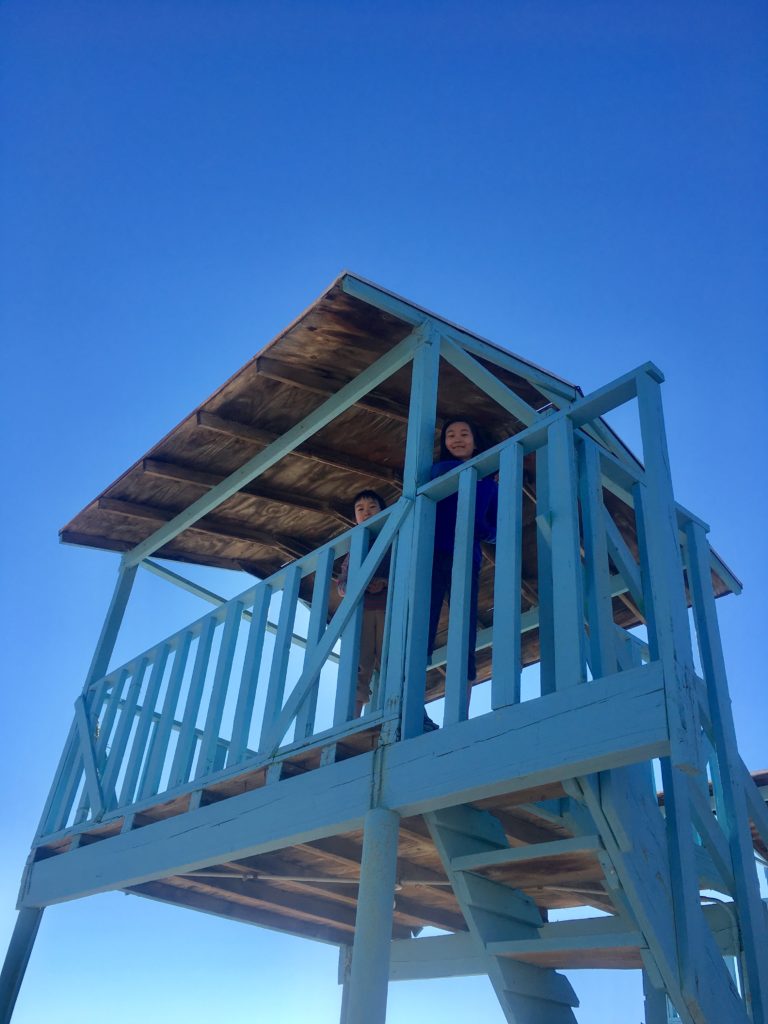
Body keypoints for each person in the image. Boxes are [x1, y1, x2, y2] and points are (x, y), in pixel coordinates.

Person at [424, 418, 497, 728]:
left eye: (464, 434)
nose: (456, 439)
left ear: (475, 442)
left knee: (464, 632)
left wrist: (483, 527)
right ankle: (413, 708)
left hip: (466, 559)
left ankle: (459, 716)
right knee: (422, 630)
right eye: (450, 435)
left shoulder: (490, 484)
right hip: (432, 555)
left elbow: (494, 528)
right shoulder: (439, 471)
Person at [337, 489, 390, 716]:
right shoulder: (356, 546)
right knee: (360, 666)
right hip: (363, 613)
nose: (366, 513)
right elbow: (342, 586)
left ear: (383, 511)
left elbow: (405, 570)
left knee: (392, 660)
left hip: (390, 609)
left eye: (372, 507)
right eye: (360, 510)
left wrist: (385, 582)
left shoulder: (393, 538)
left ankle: (394, 710)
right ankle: (352, 718)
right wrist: (361, 585)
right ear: (354, 518)